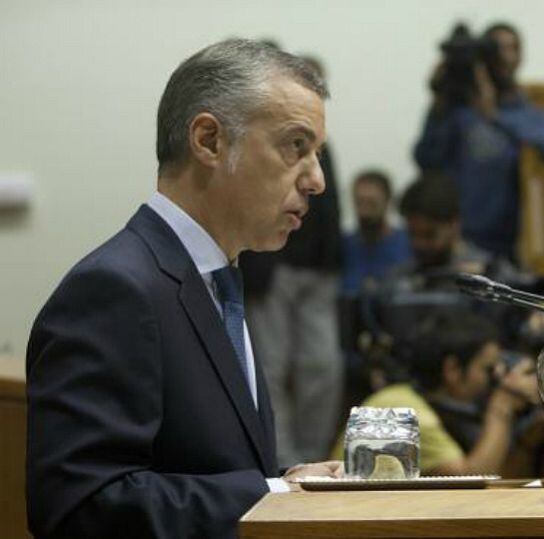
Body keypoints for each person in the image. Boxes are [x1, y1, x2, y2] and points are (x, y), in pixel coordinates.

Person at [25, 39, 343, 539]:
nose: (318, 181)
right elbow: (79, 507)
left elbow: (206, 465)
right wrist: (272, 496)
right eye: (295, 147)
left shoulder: (218, 281)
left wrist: (286, 484)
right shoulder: (114, 289)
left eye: (318, 154)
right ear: (209, 141)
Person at [242, 53, 346, 470]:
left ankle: (313, 455)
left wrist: (334, 266)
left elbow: (330, 207)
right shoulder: (270, 145)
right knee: (271, 365)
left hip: (317, 271)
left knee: (323, 365)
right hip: (272, 270)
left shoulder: (322, 147)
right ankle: (283, 462)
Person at [414, 22, 544, 263]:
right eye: (497, 50)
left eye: (511, 48)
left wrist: (494, 116)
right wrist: (439, 102)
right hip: (457, 242)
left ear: (520, 56)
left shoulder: (526, 112)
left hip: (506, 245)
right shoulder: (457, 112)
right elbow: (425, 160)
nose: (504, 58)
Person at [333, 311, 541, 476]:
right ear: (452, 369)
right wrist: (501, 408)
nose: (492, 380)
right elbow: (470, 479)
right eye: (487, 369)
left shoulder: (412, 400)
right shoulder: (404, 412)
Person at [341, 170, 411, 295]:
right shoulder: (342, 247)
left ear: (388, 201)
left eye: (371, 203)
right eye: (359, 203)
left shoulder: (410, 243)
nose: (365, 212)